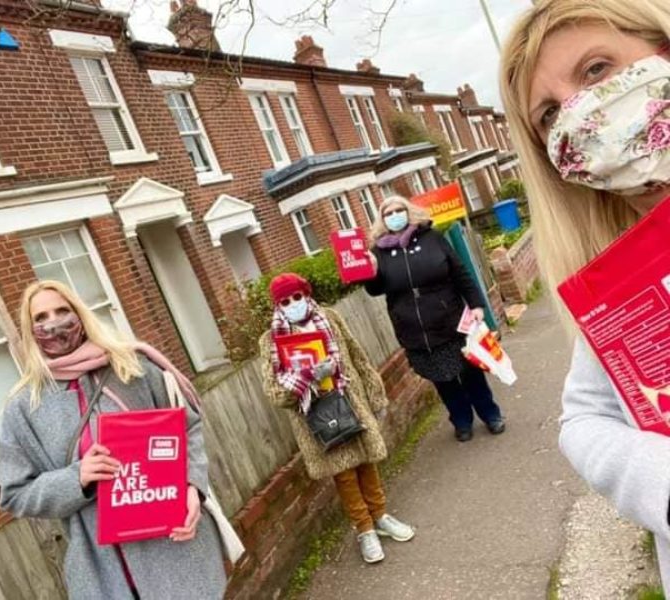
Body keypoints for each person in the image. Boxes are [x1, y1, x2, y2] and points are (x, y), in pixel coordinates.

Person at [498, 0, 670, 591]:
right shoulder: (621, 274)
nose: (578, 113)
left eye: (596, 70)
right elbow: (584, 416)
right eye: (549, 114)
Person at [0, 280, 227, 600]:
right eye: (41, 317)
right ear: (29, 329)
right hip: (103, 572)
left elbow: (188, 427)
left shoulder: (133, 367)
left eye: (63, 311)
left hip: (175, 548)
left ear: (80, 314)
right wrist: (75, 479)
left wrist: (193, 487)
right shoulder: (23, 406)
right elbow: (15, 493)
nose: (54, 323)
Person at [259, 273, 415, 564]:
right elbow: (275, 393)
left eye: (297, 296)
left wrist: (375, 394)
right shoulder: (271, 340)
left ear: (306, 294)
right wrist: (306, 376)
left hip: (350, 401)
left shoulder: (329, 318)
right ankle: (364, 529)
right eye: (285, 300)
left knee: (367, 461)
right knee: (344, 473)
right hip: (317, 415)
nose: (293, 304)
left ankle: (380, 516)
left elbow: (357, 356)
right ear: (277, 304)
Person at [364, 196, 505, 442]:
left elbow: (460, 273)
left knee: (470, 372)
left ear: (409, 212)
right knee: (443, 380)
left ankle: (491, 415)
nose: (395, 215)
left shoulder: (432, 238)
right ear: (382, 220)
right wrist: (372, 272)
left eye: (400, 210)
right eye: (389, 213)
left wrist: (477, 305)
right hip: (415, 329)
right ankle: (461, 421)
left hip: (451, 320)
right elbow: (375, 290)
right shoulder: (378, 252)